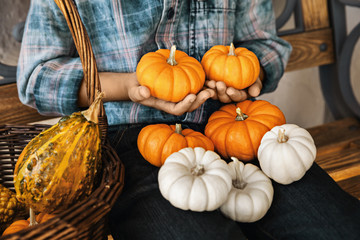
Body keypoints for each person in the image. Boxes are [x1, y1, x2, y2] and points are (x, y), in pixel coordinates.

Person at [17, 0, 360, 239]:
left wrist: (251, 74)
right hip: (132, 145)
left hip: (235, 127)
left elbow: (265, 45)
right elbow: (36, 77)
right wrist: (127, 86)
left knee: (337, 227)